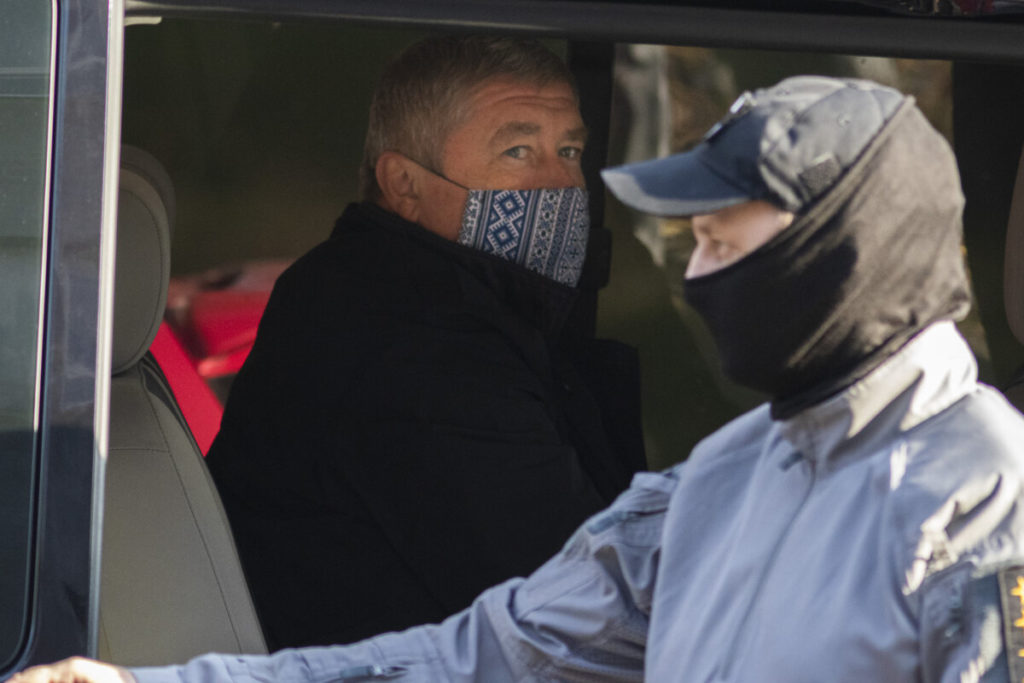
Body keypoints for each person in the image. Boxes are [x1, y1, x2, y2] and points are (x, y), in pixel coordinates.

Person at [16, 74, 1024, 682]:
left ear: (840, 258)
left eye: (726, 244)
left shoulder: (981, 493)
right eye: (699, 243)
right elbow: (484, 652)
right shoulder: (721, 481)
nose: (697, 275)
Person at [200, 35, 646, 651]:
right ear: (405, 184)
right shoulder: (421, 346)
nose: (561, 184)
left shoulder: (396, 296)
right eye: (517, 151)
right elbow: (590, 612)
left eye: (568, 151)